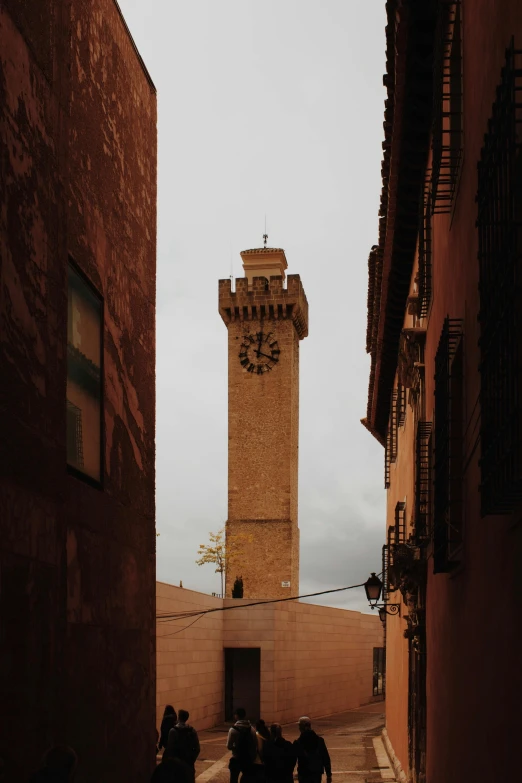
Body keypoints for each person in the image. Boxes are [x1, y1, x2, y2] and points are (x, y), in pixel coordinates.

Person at [165, 709, 200, 782]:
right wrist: (191, 759)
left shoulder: (173, 731)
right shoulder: (192, 731)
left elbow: (170, 748)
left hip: (176, 763)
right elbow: (197, 748)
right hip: (188, 763)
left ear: (179, 717)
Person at [293, 717, 331, 783]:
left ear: (303, 727)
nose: (299, 728)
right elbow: (325, 758)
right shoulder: (319, 740)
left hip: (304, 772)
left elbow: (292, 759)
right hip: (316, 772)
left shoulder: (298, 742)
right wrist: (329, 774)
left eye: (300, 726)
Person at [227, 707, 257, 783]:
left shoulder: (233, 730)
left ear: (236, 716)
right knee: (247, 779)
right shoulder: (252, 729)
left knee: (233, 779)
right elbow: (254, 743)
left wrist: (236, 747)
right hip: (248, 759)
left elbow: (229, 746)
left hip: (236, 758)